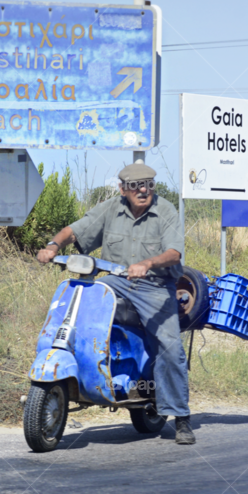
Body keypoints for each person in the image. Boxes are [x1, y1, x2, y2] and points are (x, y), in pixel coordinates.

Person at [36, 163, 195, 444]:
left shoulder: (165, 210)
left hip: (155, 287)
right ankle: (88, 366)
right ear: (123, 189)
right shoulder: (111, 208)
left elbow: (174, 253)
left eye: (148, 184)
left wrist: (148, 263)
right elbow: (74, 230)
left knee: (169, 345)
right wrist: (53, 246)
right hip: (117, 280)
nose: (143, 190)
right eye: (136, 186)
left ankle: (181, 417)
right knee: (83, 294)